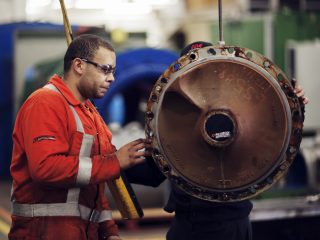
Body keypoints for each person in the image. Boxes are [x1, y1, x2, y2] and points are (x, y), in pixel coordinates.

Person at [125, 41, 309, 240]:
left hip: (232, 224)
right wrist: (117, 164)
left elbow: (275, 133)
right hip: (191, 224)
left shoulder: (247, 108)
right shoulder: (173, 119)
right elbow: (154, 170)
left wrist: (292, 105)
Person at [9, 34, 150, 240]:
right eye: (105, 69)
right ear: (79, 66)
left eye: (113, 71)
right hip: (44, 232)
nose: (111, 78)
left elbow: (95, 186)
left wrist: (108, 231)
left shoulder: (91, 115)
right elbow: (45, 168)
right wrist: (114, 162)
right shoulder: (45, 103)